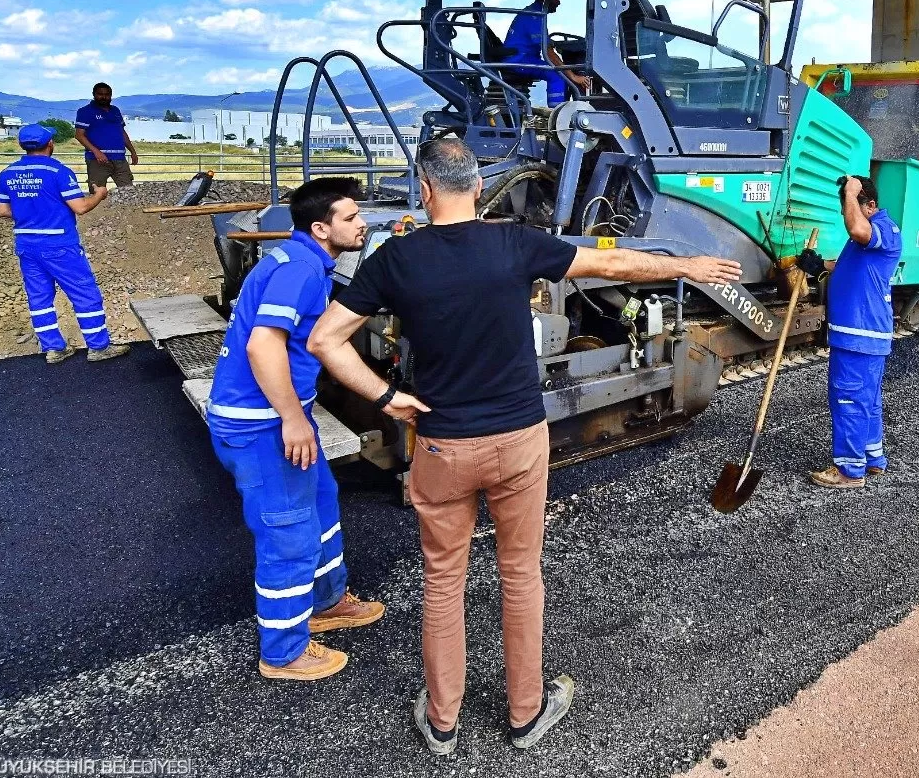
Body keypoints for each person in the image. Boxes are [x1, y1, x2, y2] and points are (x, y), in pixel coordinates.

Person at [309, 138, 742, 756]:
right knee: (520, 575)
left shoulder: (393, 259)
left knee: (442, 581)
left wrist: (386, 400)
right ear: (478, 188)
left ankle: (442, 723)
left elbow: (327, 340)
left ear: (425, 189)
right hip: (517, 442)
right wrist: (687, 266)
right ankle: (524, 714)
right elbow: (612, 266)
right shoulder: (514, 243)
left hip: (443, 447)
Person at [204, 177, 401, 681]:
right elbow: (262, 347)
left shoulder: (300, 260)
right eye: (352, 218)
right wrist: (293, 419)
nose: (363, 224)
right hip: (262, 424)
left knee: (320, 502)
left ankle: (327, 602)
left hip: (281, 415)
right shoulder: (301, 273)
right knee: (287, 531)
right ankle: (284, 652)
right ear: (321, 227)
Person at [0, 123, 131, 364]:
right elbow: (80, 207)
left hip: (27, 245)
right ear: (50, 144)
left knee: (39, 298)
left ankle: (54, 348)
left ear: (22, 146)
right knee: (85, 294)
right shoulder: (58, 172)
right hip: (59, 244)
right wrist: (99, 194)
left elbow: (3, 211)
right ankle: (99, 347)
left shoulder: (7, 174)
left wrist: (31, 212)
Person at [801, 174, 904, 490]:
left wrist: (851, 190)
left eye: (854, 205)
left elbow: (857, 228)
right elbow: (846, 267)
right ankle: (872, 459)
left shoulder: (882, 229)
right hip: (862, 335)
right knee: (867, 401)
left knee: (848, 399)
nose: (847, 211)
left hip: (860, 334)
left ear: (870, 205)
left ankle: (849, 470)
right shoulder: (866, 238)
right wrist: (819, 267)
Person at [500, 0, 588, 105]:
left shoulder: (536, 13)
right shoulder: (535, 16)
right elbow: (548, 53)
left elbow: (546, 44)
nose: (559, 3)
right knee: (557, 74)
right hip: (519, 60)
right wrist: (573, 76)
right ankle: (557, 116)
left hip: (521, 58)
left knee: (561, 70)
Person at [73, 82, 139, 192]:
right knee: (97, 193)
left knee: (128, 191)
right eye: (100, 94)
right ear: (94, 94)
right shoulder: (85, 111)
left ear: (111, 96)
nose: (104, 97)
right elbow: (79, 135)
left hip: (120, 159)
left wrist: (132, 151)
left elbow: (122, 132)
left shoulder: (115, 111)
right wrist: (96, 152)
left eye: (107, 94)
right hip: (97, 160)